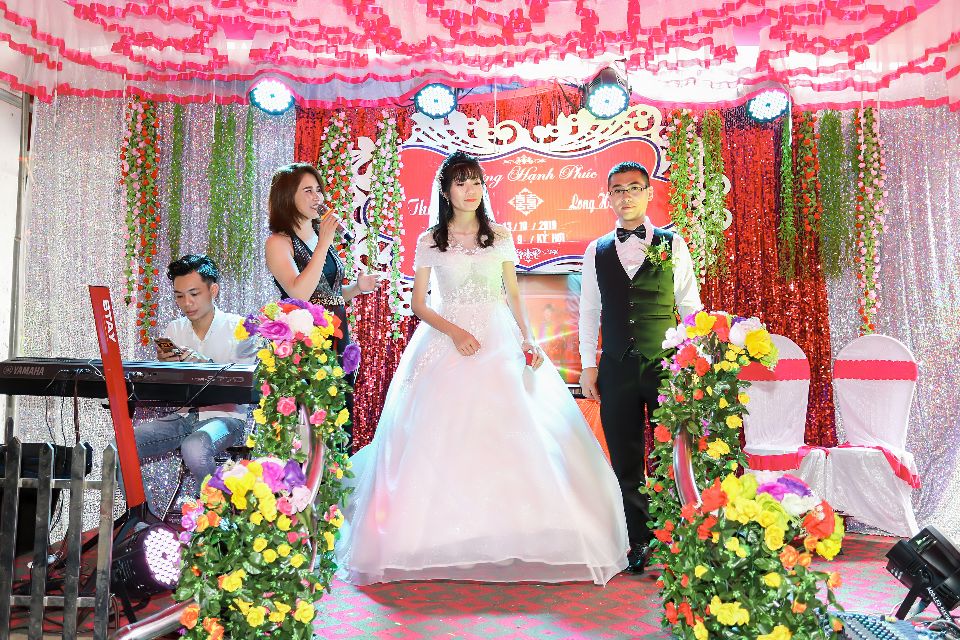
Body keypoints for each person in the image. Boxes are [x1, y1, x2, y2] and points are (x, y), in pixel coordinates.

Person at [336, 151, 628, 586]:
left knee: (516, 429)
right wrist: (454, 332)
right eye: (461, 182)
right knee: (437, 432)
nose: (470, 190)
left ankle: (515, 534)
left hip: (498, 337)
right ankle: (429, 540)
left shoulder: (501, 235)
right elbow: (419, 304)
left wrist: (528, 338)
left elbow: (512, 294)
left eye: (475, 181)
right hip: (446, 340)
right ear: (445, 191)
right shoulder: (431, 240)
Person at [578, 161, 702, 574]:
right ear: (609, 198)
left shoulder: (673, 243)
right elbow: (589, 311)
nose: (625, 196)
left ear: (649, 193)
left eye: (633, 188)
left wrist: (693, 359)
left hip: (666, 365)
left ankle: (682, 538)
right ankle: (639, 541)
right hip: (615, 366)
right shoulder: (596, 251)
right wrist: (588, 365)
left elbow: (689, 306)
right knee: (625, 460)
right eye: (617, 190)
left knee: (675, 454)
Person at [264, 162, 379, 438]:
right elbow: (300, 293)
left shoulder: (318, 236)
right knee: (312, 420)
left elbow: (328, 294)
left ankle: (336, 466)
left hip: (337, 332)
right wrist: (324, 243)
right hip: (306, 341)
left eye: (318, 190)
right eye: (308, 191)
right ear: (287, 197)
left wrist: (357, 288)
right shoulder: (279, 242)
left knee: (338, 417)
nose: (317, 197)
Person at [135, 254, 258, 487]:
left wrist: (207, 364)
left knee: (194, 446)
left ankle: (217, 508)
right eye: (179, 296)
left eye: (194, 294)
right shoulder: (174, 329)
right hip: (182, 416)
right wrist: (165, 366)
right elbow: (167, 388)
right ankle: (140, 510)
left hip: (226, 418)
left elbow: (244, 384)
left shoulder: (240, 328)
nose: (187, 303)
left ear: (213, 290)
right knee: (121, 446)